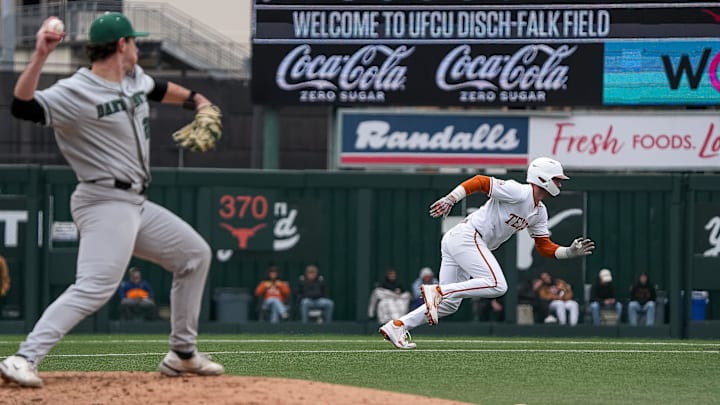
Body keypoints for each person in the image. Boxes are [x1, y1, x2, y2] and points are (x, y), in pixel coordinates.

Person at [0, 13, 224, 388]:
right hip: (102, 199)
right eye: (134, 41)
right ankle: (24, 357)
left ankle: (182, 355)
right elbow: (22, 107)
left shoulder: (133, 78)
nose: (138, 47)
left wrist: (198, 101)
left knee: (194, 256)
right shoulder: (76, 89)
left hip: (136, 202)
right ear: (122, 45)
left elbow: (158, 89)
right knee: (96, 285)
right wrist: (39, 55)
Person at [379, 157, 595, 349]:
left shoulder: (540, 212)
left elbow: (543, 245)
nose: (560, 183)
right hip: (469, 236)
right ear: (543, 178)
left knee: (448, 305)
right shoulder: (519, 191)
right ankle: (439, 290)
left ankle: (398, 325)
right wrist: (451, 199)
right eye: (557, 179)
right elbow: (480, 181)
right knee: (497, 285)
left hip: (462, 241)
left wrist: (569, 252)